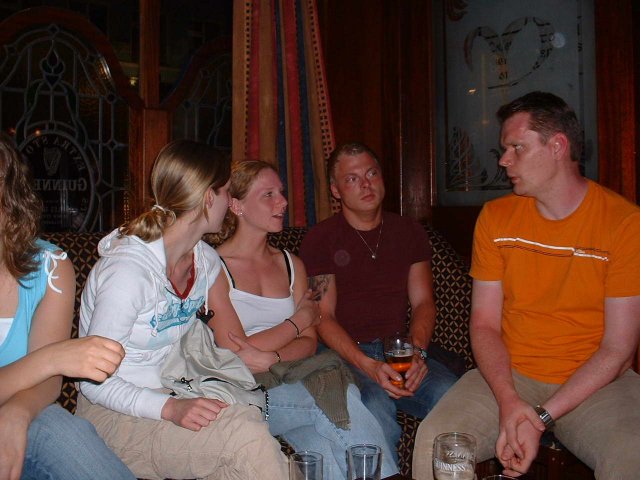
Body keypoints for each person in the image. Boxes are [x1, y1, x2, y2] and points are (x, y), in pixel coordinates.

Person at [413, 91, 640, 480]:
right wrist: (508, 400)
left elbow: (618, 350)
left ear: (557, 146)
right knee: (436, 441)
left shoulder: (623, 224)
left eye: (516, 147)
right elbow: (484, 324)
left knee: (631, 455)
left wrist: (539, 418)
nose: (503, 160)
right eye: (504, 149)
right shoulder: (496, 218)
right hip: (510, 373)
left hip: (596, 383)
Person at [76, 140, 288, 480]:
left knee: (245, 458)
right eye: (226, 192)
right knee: (244, 434)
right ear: (207, 198)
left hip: (176, 387)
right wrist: (169, 407)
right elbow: (93, 382)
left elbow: (226, 338)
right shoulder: (128, 273)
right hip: (112, 414)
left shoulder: (206, 262)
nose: (229, 202)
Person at [208, 160, 399, 478]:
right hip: (242, 394)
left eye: (281, 192)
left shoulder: (291, 264)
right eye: (268, 195)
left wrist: (272, 357)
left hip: (291, 375)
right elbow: (235, 351)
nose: (283, 202)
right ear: (237, 205)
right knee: (335, 396)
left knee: (321, 449)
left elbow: (310, 343)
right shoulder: (214, 267)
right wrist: (298, 321)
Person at [299, 143, 459, 457]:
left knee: (453, 395)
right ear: (336, 190)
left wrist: (417, 353)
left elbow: (424, 302)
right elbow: (322, 316)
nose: (366, 184)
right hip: (346, 354)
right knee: (373, 404)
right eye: (352, 179)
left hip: (399, 350)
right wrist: (368, 365)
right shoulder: (320, 239)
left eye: (371, 173)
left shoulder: (409, 231)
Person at [0, 134, 134, 480]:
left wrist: (17, 412)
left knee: (58, 430)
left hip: (26, 417)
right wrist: (53, 358)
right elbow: (50, 364)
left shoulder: (50, 267)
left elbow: (48, 384)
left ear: (10, 198)